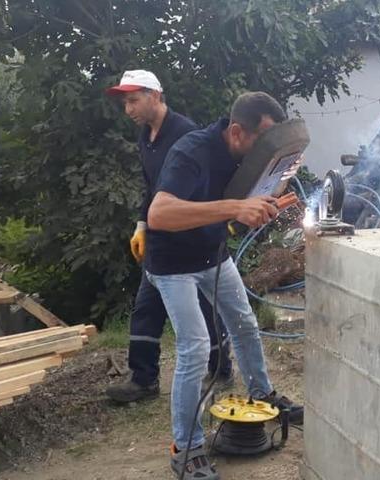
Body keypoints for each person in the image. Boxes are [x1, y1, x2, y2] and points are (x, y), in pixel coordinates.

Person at [146, 91, 303, 479]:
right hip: (173, 264)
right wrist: (235, 208)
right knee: (197, 347)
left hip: (212, 255)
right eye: (263, 142)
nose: (266, 152)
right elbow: (159, 214)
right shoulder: (191, 152)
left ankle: (262, 394)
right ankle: (186, 445)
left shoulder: (244, 158)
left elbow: (235, 209)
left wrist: (264, 204)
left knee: (245, 324)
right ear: (236, 132)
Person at [104, 70, 234, 404]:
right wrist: (141, 223)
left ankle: (220, 369)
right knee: (146, 307)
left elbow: (206, 184)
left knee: (206, 307)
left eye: (134, 100)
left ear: (155, 96)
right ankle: (143, 379)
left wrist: (221, 217)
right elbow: (153, 188)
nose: (128, 109)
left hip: (194, 241)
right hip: (161, 241)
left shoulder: (186, 134)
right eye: (125, 102)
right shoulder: (146, 136)